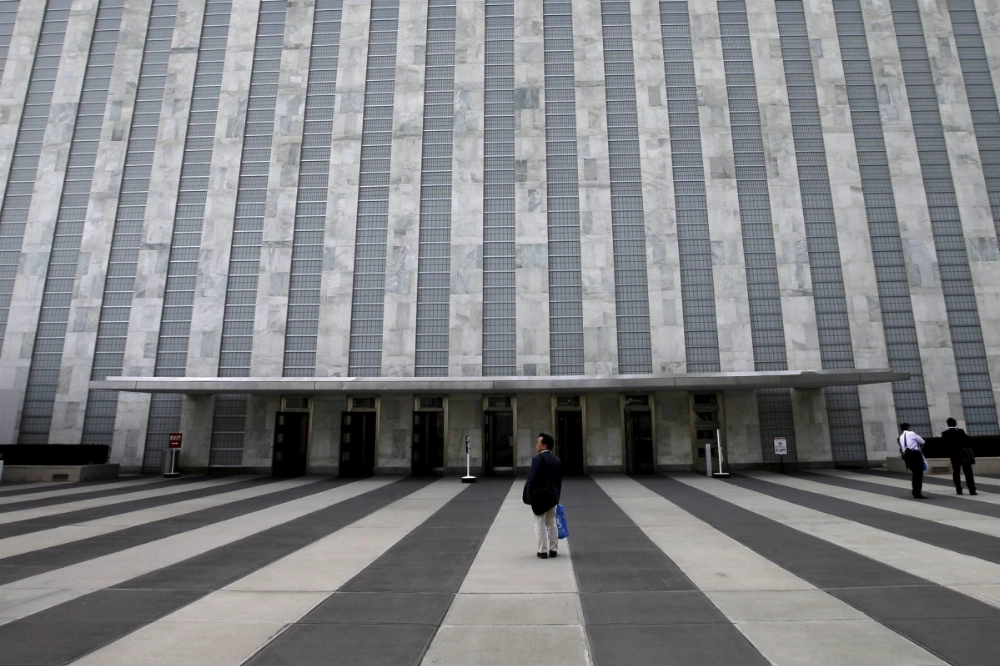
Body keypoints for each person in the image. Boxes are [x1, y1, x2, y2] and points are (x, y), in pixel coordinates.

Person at [523, 432, 562, 559]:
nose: (536, 445)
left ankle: (542, 551)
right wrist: (557, 497)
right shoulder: (557, 460)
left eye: (538, 443)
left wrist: (530, 496)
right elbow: (558, 481)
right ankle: (553, 549)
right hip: (552, 496)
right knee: (552, 523)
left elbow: (532, 479)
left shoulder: (537, 459)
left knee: (539, 524)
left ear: (544, 446)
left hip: (540, 497)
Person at [942, 417, 977, 495]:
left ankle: (959, 490)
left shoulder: (945, 433)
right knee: (968, 473)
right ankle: (972, 490)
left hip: (954, 456)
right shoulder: (961, 431)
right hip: (964, 455)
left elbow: (945, 445)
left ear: (948, 424)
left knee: (956, 472)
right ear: (955, 423)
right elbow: (967, 441)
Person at [898, 423, 927, 499]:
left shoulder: (901, 436)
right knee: (919, 474)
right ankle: (917, 493)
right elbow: (922, 441)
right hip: (915, 455)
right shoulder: (911, 433)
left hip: (907, 456)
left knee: (915, 474)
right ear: (908, 427)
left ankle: (915, 491)